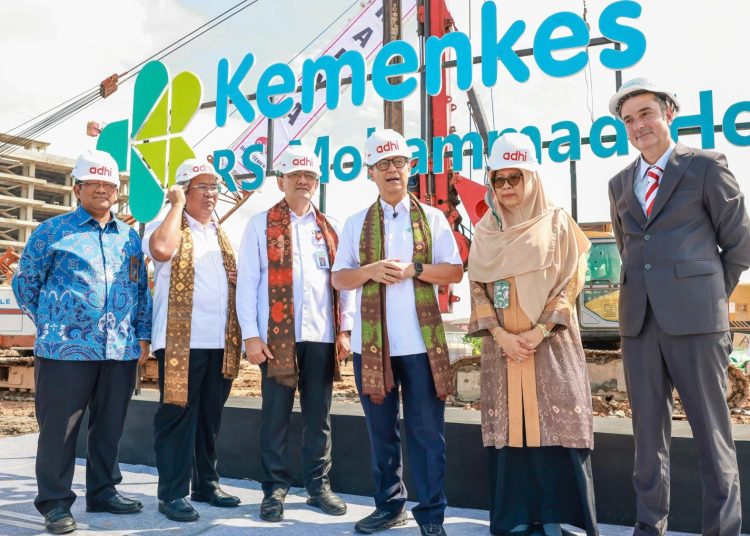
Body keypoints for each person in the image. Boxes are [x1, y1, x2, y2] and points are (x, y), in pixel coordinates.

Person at [608, 78, 750, 536]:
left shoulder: (706, 166)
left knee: (712, 436)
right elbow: (629, 245)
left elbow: (740, 244)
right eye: (629, 120)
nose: (638, 125)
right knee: (648, 441)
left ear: (669, 112)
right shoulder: (618, 183)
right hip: (639, 325)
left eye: (645, 113)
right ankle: (649, 528)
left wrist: (706, 294)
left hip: (697, 323)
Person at [12, 149, 152, 535]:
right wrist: (52, 323)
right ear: (77, 188)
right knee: (60, 429)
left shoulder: (130, 238)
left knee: (110, 425)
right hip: (64, 351)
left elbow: (141, 289)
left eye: (109, 184)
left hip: (119, 348)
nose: (102, 190)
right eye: (94, 183)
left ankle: (104, 490)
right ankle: (55, 504)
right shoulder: (52, 232)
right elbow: (24, 283)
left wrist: (143, 335)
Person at [331, 129, 463, 536]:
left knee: (428, 435)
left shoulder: (433, 218)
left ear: (411, 167)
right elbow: (339, 279)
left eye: (399, 163)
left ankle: (431, 515)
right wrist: (369, 271)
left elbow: (455, 271)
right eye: (383, 164)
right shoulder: (356, 223)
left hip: (421, 348)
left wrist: (414, 270)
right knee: (381, 434)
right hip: (373, 349)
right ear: (370, 172)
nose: (392, 170)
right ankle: (389, 506)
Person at [467, 133, 597, 536]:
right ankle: (516, 519)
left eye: (514, 178)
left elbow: (571, 282)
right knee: (511, 433)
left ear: (531, 178)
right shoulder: (485, 230)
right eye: (499, 180)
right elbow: (477, 286)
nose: (506, 188)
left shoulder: (558, 222)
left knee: (557, 428)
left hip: (551, 343)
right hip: (501, 348)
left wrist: (540, 331)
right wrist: (501, 335)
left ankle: (562, 519)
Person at [236, 144, 355, 522]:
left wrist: (346, 329)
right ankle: (274, 489)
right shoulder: (260, 224)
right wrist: (250, 336)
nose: (303, 182)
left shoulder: (330, 225)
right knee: (276, 416)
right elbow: (248, 283)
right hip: (276, 339)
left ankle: (318, 486)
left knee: (319, 416)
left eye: (310, 176)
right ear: (281, 181)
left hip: (321, 335)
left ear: (317, 182)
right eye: (295, 176)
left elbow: (343, 283)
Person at [143, 159, 242, 522]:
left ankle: (206, 483)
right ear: (183, 190)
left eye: (214, 186)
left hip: (219, 342)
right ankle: (172, 493)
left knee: (209, 419)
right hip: (180, 342)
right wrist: (176, 206)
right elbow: (162, 252)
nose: (211, 194)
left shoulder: (220, 232)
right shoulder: (166, 224)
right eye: (201, 187)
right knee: (177, 417)